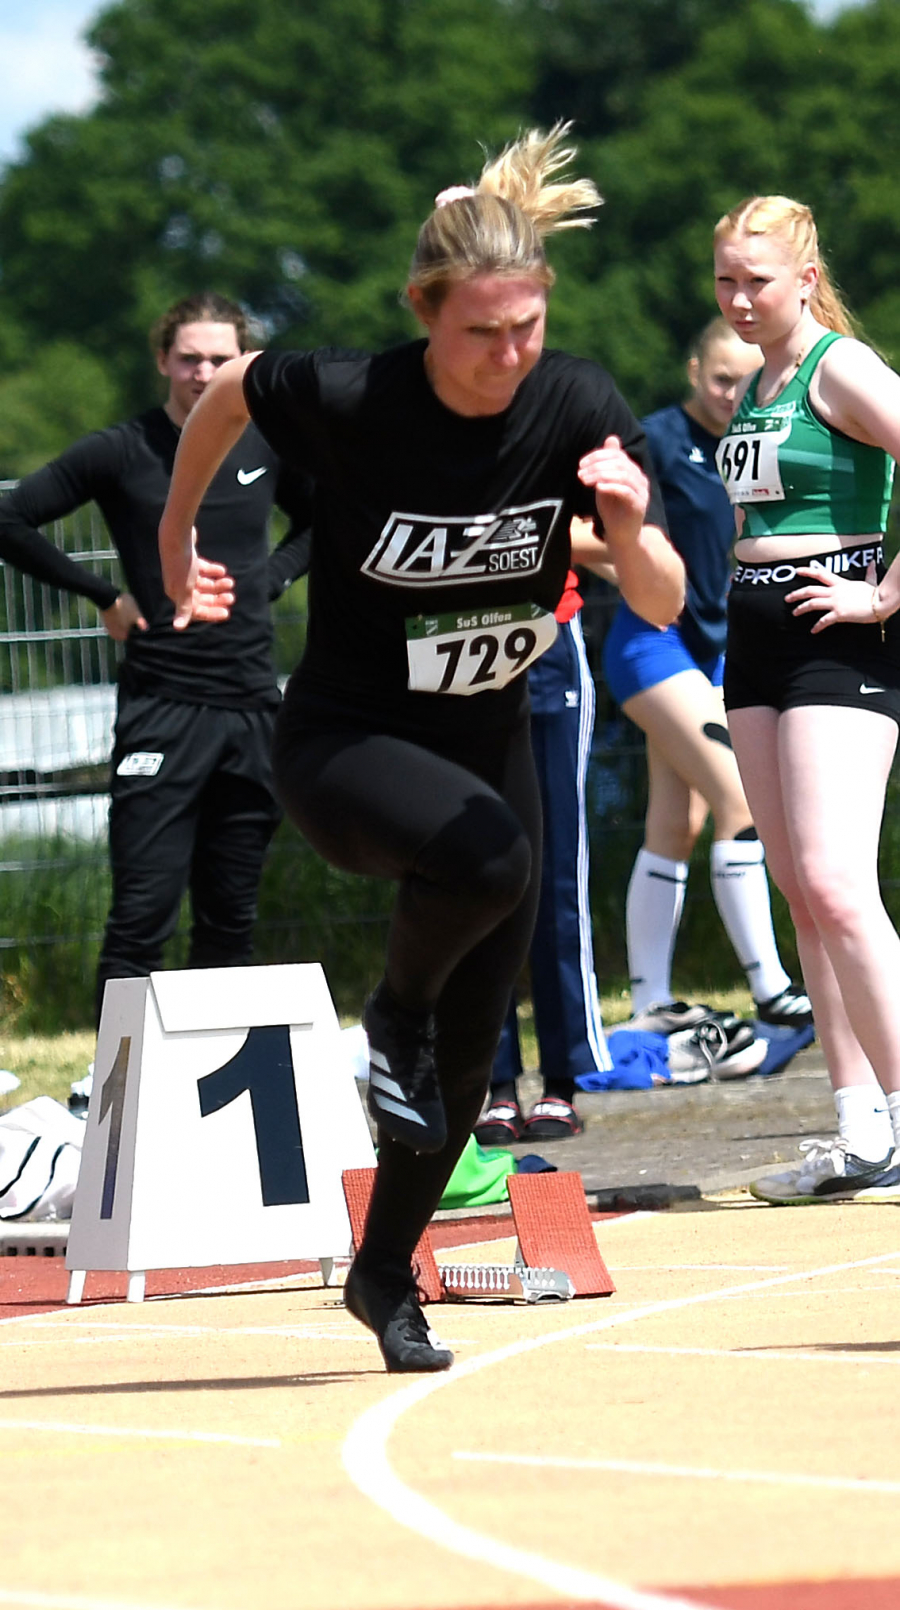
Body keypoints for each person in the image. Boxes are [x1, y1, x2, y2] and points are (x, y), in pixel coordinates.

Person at [159, 125, 685, 1370]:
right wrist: (177, 536)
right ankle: (386, 1013)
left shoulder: (578, 404)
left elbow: (658, 601)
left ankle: (385, 1272)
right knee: (492, 867)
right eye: (481, 333)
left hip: (483, 743)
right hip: (346, 750)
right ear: (424, 312)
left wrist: (627, 521)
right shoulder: (352, 396)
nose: (509, 358)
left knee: (467, 1051)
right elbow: (228, 395)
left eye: (528, 329)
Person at [0, 292, 313, 1024]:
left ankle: (214, 1096)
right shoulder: (124, 448)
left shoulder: (266, 440)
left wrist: (270, 577)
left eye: (220, 359)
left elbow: (322, 520)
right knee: (143, 914)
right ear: (162, 360)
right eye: (189, 358)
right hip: (161, 709)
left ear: (243, 363)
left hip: (251, 705)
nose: (204, 372)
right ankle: (108, 1088)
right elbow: (10, 517)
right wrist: (104, 594)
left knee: (230, 919)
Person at [711, 193, 900, 1202]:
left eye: (759, 280)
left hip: (838, 628)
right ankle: (860, 1130)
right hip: (754, 633)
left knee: (835, 882)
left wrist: (883, 591)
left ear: (807, 280)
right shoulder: (761, 380)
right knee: (800, 890)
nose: (740, 299)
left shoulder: (840, 366)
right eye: (726, 280)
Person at [600, 318, 811, 1060]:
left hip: (722, 652)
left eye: (742, 381)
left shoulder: (758, 436)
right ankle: (772, 988)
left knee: (674, 822)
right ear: (694, 370)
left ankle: (650, 999)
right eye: (720, 379)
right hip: (651, 644)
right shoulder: (654, 438)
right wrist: (634, 562)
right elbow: (587, 529)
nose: (731, 394)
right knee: (740, 800)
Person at [475, 527, 614, 1147]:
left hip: (547, 640)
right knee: (477, 872)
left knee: (557, 869)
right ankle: (493, 1082)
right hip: (457, 643)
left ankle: (563, 1079)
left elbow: (613, 538)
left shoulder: (561, 433)